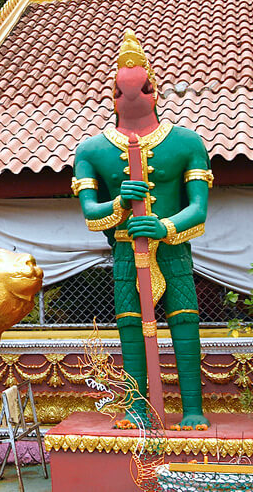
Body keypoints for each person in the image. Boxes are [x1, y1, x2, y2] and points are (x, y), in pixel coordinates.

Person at [73, 30, 211, 430]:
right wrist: (118, 204)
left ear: (156, 91)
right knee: (130, 326)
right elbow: (90, 213)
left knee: (185, 321)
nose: (132, 95)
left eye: (142, 87)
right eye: (121, 90)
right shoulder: (92, 151)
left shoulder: (186, 143)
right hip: (124, 252)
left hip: (173, 250)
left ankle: (192, 409)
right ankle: (136, 408)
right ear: (111, 96)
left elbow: (199, 210)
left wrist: (165, 225)